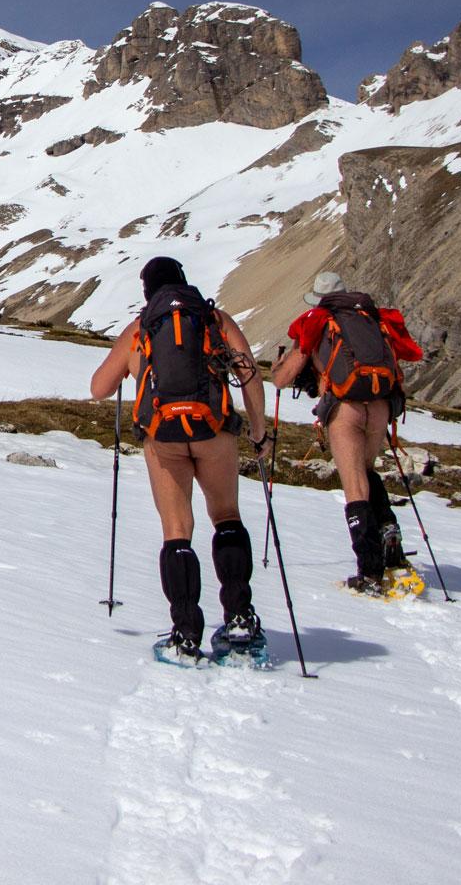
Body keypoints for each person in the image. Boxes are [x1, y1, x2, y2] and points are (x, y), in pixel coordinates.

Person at [90, 256, 271, 661]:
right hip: (214, 431)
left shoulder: (140, 329)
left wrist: (131, 368)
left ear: (147, 291)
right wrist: (258, 431)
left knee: (177, 529)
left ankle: (186, 634)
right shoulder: (213, 319)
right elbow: (249, 373)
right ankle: (239, 618)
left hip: (164, 438)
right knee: (226, 516)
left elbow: (99, 388)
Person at [268, 271, 424, 595]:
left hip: (345, 407)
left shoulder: (317, 321)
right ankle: (389, 532)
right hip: (379, 405)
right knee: (366, 470)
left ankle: (370, 571)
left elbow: (283, 379)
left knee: (354, 485)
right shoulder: (370, 318)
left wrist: (278, 368)